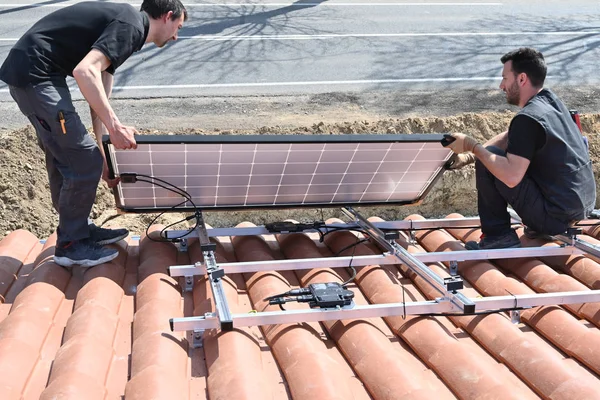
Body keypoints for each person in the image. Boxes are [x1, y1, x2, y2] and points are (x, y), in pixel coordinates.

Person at [0, 0, 187, 267]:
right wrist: (115, 128)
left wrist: (105, 153)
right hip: (37, 76)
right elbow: (84, 71)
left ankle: (79, 228)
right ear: (168, 16)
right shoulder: (131, 25)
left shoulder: (127, 28)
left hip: (33, 74)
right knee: (82, 157)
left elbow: (98, 98)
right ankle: (70, 244)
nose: (176, 36)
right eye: (177, 27)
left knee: (70, 153)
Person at [445, 47, 596, 250]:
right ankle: (538, 226)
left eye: (505, 78)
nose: (501, 85)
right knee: (491, 155)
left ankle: (498, 235)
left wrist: (474, 148)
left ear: (522, 79)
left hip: (555, 216)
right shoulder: (550, 102)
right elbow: (511, 138)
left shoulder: (527, 118)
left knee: (489, 161)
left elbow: (511, 177)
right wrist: (467, 157)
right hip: (579, 207)